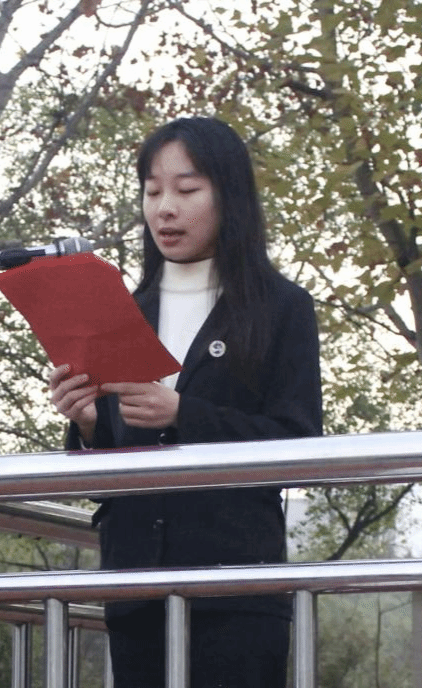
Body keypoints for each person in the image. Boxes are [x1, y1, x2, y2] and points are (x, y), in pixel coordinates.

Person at [48, 116, 323, 688]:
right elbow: (105, 475)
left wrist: (184, 414)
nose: (165, 209)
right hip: (134, 588)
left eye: (187, 189)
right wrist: (90, 424)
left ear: (230, 196)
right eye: (152, 192)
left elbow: (300, 447)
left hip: (237, 589)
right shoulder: (122, 311)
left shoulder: (281, 308)